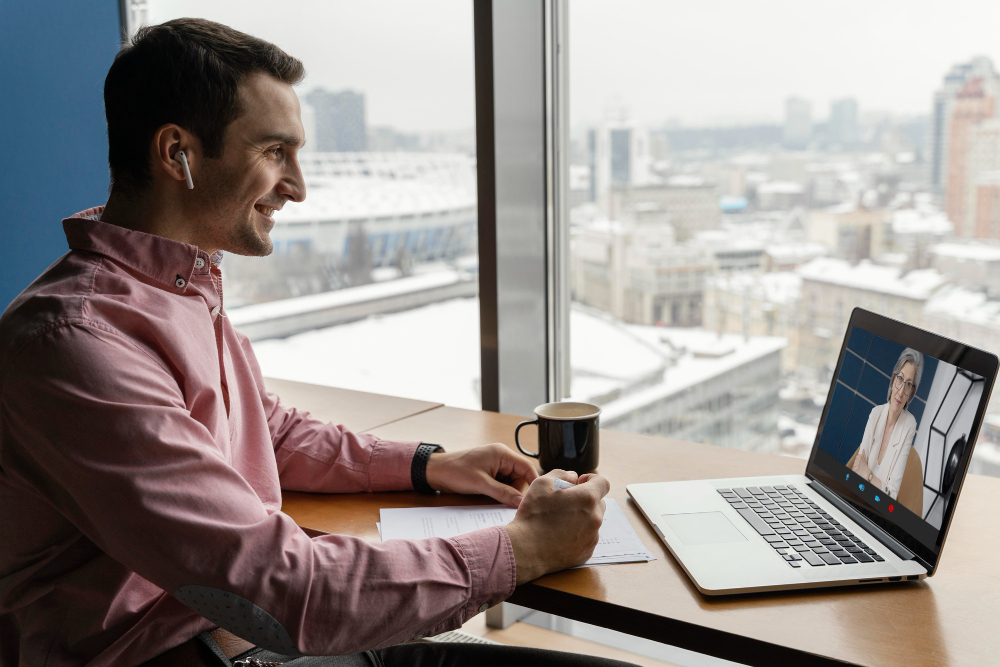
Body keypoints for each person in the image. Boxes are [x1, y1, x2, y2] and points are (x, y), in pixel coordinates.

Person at [0, 19, 633, 667]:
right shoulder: (78, 343)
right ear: (176, 154)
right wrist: (525, 547)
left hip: (262, 644)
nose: (298, 185)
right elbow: (294, 591)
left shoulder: (180, 289)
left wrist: (428, 463)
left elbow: (266, 430)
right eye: (275, 152)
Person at [849, 348, 923, 499]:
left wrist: (867, 474)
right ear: (893, 379)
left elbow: (892, 494)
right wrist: (875, 482)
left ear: (912, 391)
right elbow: (857, 470)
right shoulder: (875, 414)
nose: (901, 391)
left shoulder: (909, 424)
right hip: (856, 497)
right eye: (900, 379)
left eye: (908, 384)